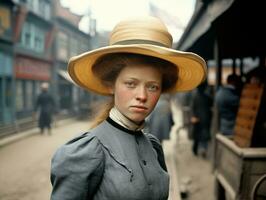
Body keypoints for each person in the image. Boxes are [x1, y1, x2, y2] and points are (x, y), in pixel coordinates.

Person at [50, 16, 207, 200]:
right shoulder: (86, 151)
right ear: (111, 85)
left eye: (152, 86)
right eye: (131, 84)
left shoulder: (153, 146)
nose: (142, 96)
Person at [190, 81, 213, 157]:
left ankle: (196, 149)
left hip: (198, 119)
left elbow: (192, 107)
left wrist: (193, 116)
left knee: (198, 135)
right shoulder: (207, 96)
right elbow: (212, 103)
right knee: (203, 135)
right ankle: (202, 149)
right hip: (205, 119)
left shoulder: (195, 96)